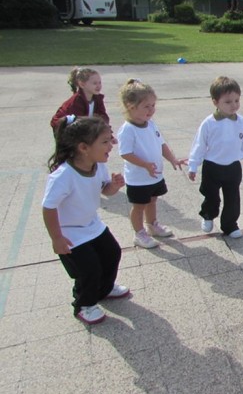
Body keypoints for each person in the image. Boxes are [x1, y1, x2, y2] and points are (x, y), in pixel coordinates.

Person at [42, 116, 129, 325]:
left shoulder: (98, 165)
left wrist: (114, 186)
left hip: (91, 224)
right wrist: (57, 238)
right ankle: (84, 304)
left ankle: (104, 289)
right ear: (83, 147)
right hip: (70, 232)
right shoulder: (63, 176)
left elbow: (104, 190)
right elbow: (48, 207)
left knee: (112, 253)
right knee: (89, 269)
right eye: (105, 142)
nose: (111, 145)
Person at [117, 79, 187, 249]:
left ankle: (152, 225)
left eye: (153, 105)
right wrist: (145, 165)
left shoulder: (151, 124)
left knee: (153, 200)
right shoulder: (128, 129)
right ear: (130, 106)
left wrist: (173, 159)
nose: (151, 110)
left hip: (154, 175)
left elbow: (161, 144)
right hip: (138, 179)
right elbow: (125, 153)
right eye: (146, 106)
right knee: (139, 206)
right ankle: (139, 234)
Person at [188, 76, 243, 238]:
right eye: (228, 102)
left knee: (233, 198)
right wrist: (193, 165)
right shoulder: (209, 123)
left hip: (233, 167)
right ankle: (208, 215)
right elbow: (199, 145)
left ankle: (230, 225)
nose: (234, 105)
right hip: (212, 166)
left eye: (237, 100)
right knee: (211, 196)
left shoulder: (241, 122)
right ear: (215, 102)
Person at [50, 67, 109, 134]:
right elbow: (78, 125)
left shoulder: (98, 98)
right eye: (95, 83)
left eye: (100, 83)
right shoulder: (76, 101)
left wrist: (108, 134)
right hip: (63, 129)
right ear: (82, 84)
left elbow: (103, 117)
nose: (98, 86)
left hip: (82, 128)